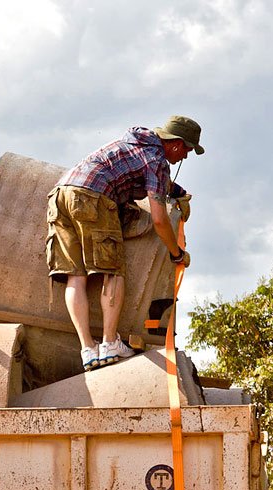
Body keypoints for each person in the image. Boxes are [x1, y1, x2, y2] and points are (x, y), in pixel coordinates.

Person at [46, 115, 204, 372]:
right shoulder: (157, 161)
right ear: (176, 144)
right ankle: (109, 343)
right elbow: (159, 220)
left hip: (61, 194)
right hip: (93, 197)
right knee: (112, 272)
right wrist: (176, 253)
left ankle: (88, 349)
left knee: (76, 276)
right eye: (187, 150)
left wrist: (174, 191)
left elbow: (145, 178)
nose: (184, 157)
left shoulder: (133, 144)